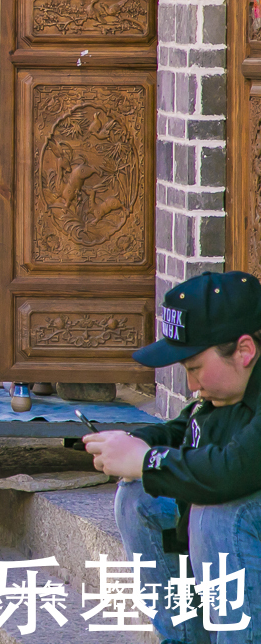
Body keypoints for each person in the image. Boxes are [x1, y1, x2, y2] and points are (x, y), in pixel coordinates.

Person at [84, 273, 261, 643]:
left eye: (194, 368)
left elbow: (234, 470)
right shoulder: (221, 393)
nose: (191, 385)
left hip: (244, 526)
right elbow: (183, 431)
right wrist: (130, 442)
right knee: (140, 496)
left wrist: (149, 461)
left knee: (215, 514)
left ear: (244, 351)